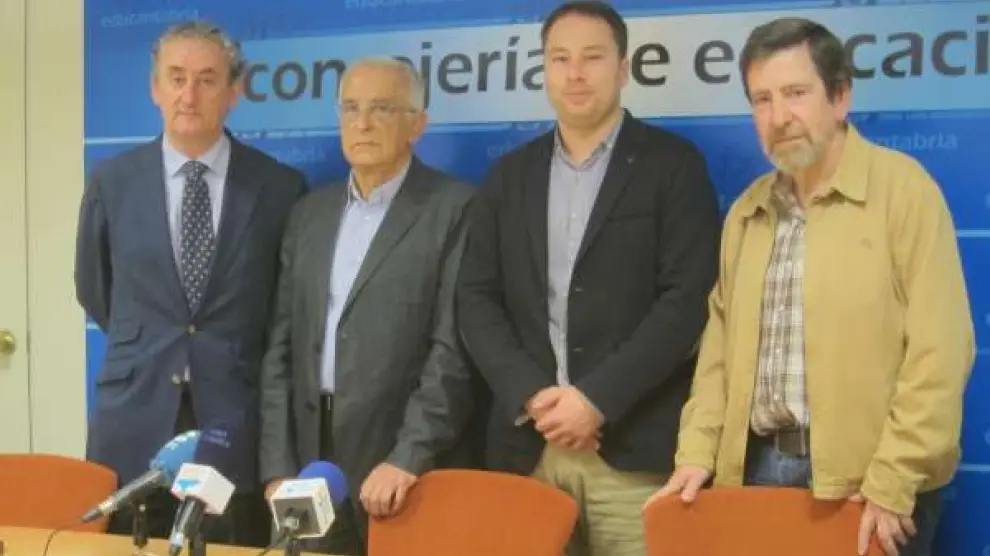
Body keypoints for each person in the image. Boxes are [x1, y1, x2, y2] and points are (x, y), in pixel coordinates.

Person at [647, 17, 975, 556]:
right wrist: (696, 455)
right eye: (762, 99)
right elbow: (718, 358)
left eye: (796, 93)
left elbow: (940, 353)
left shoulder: (904, 193)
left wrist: (893, 480)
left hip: (869, 491)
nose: (779, 117)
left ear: (840, 96)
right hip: (755, 477)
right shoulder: (747, 212)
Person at [455, 1, 721, 554]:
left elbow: (687, 301)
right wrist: (533, 397)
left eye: (592, 58)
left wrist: (597, 400)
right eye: (560, 59)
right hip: (527, 451)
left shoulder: (673, 165)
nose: (575, 74)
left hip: (632, 455)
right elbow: (476, 298)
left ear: (623, 69)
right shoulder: (508, 176)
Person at [74, 20, 305, 546]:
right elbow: (95, 286)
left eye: (206, 79)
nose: (189, 95)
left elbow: (282, 308)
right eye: (176, 78)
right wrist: (153, 339)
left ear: (234, 91)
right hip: (133, 416)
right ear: (155, 88)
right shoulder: (112, 181)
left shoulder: (278, 187)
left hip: (233, 417)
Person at [258, 57, 477, 556]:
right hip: (308, 466)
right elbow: (280, 348)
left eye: (382, 108)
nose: (363, 123)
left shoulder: (456, 208)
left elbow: (454, 351)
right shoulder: (308, 213)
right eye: (351, 108)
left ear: (417, 124)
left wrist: (409, 456)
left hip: (402, 467)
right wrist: (276, 467)